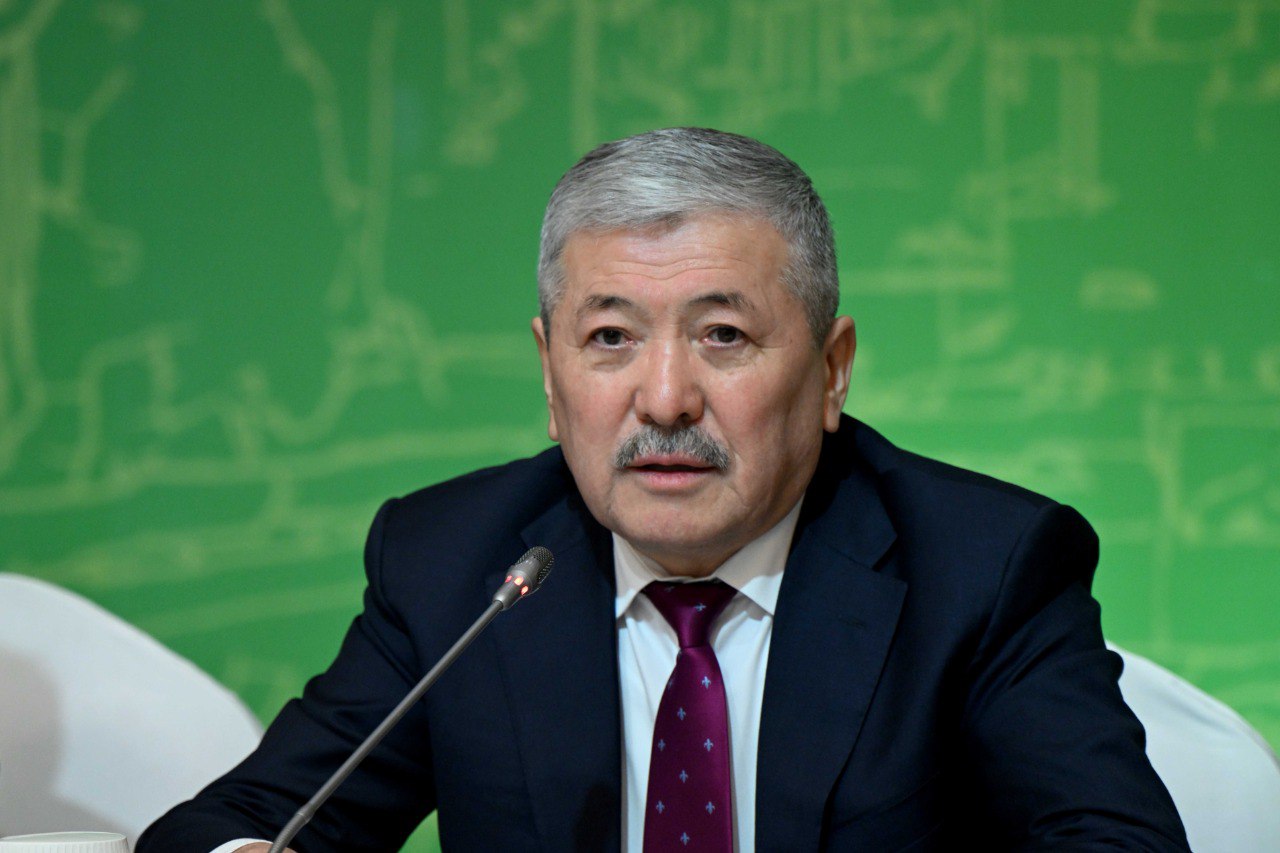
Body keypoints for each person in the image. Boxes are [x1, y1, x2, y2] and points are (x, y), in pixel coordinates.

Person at [138, 128, 1188, 851]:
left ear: (830, 371)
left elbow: (1114, 839)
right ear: (549, 374)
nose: (666, 398)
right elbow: (236, 822)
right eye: (610, 338)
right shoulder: (456, 564)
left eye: (722, 335)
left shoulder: (983, 567)